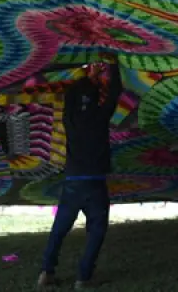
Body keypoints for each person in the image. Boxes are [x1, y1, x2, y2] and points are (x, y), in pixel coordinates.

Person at [39, 59, 122, 291]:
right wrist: (112, 66)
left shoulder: (70, 119)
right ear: (97, 98)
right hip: (95, 182)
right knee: (96, 231)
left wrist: (88, 78)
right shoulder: (100, 115)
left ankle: (47, 271)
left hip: (73, 182)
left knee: (59, 230)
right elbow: (115, 91)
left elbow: (72, 97)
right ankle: (83, 278)